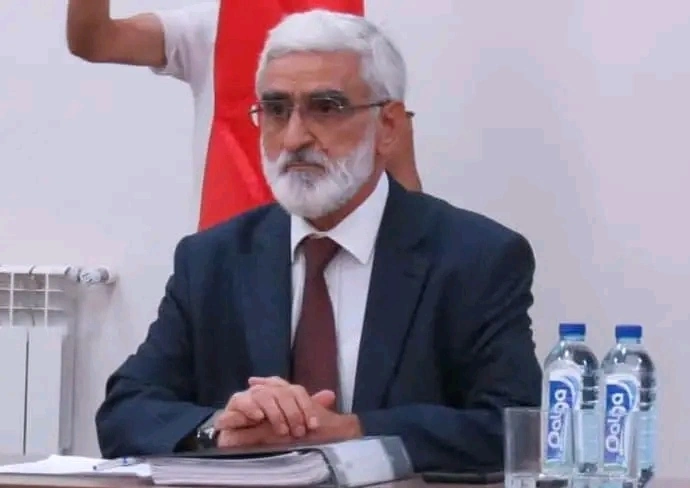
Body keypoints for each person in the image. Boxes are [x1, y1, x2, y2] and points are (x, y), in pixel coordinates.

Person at [95, 9, 541, 473]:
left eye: (326, 108)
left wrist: (353, 432)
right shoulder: (212, 259)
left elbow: (514, 426)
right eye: (276, 110)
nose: (294, 138)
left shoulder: (475, 258)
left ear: (388, 127)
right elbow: (126, 410)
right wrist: (219, 431)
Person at [66, 1, 423, 222]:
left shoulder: (367, 31)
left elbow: (398, 159)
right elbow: (95, 41)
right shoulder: (212, 25)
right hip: (234, 258)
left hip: (351, 253)